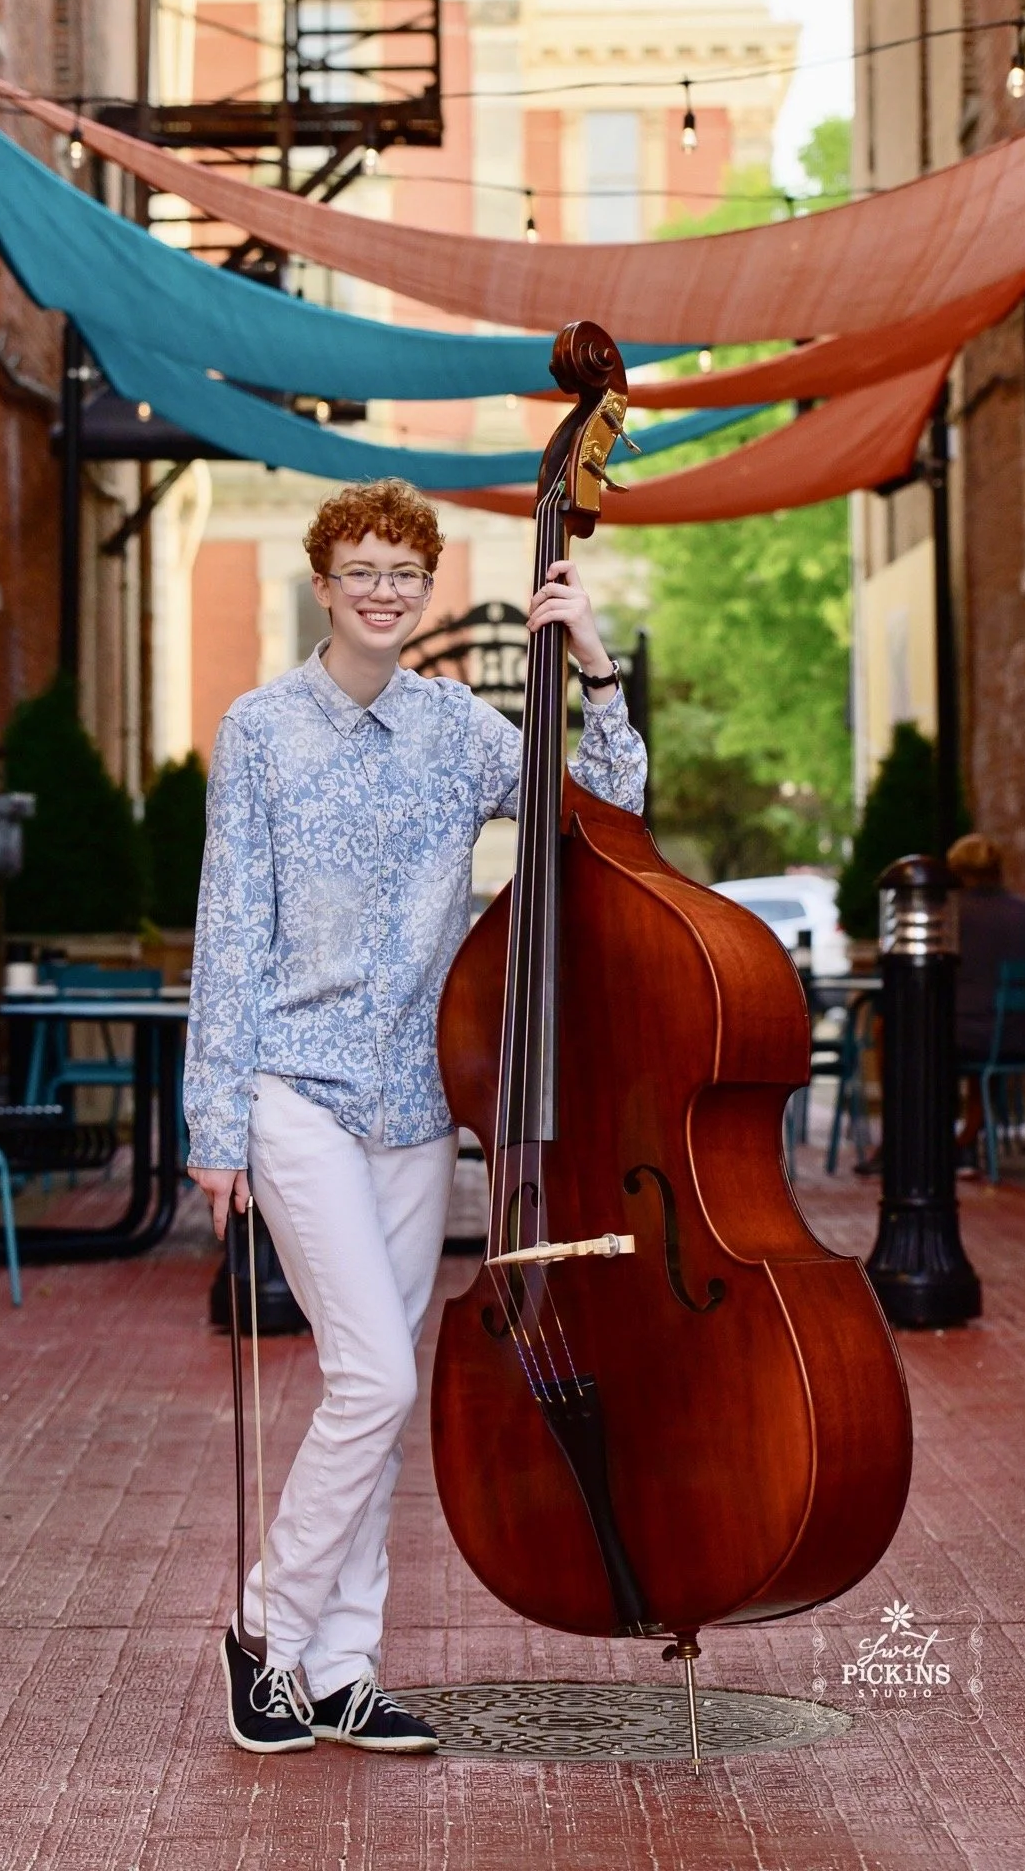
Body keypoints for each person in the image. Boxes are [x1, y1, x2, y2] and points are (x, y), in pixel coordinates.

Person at [184, 478, 646, 1757]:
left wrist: (590, 661)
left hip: (415, 1100)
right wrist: (212, 1117)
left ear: (424, 587)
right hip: (292, 1090)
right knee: (377, 1375)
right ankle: (263, 1636)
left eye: (405, 572)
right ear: (324, 584)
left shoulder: (458, 730)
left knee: (368, 1395)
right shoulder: (263, 729)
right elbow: (230, 926)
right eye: (361, 571)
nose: (383, 591)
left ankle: (339, 1671)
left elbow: (609, 807)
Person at [948, 832, 1025, 1169]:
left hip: (977, 1036)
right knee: (976, 1031)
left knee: (912, 1041)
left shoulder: (956, 915)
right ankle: (968, 1137)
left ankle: (933, 1141)